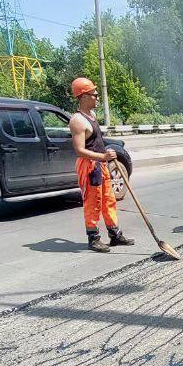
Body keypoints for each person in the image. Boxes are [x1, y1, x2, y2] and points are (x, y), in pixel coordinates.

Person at [68, 77, 134, 253]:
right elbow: (80, 150)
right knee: (93, 202)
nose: (97, 97)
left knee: (109, 200)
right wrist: (102, 156)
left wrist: (106, 157)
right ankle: (93, 238)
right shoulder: (77, 121)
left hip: (100, 165)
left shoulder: (92, 116)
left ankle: (115, 234)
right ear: (83, 96)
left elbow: (97, 140)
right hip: (89, 167)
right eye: (93, 94)